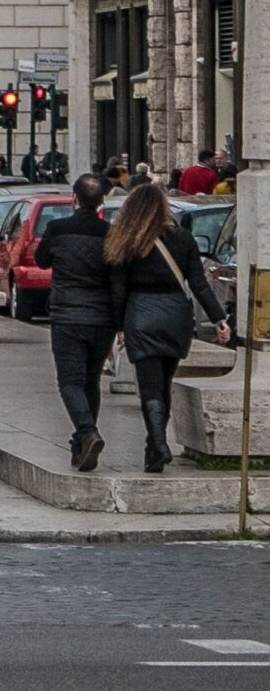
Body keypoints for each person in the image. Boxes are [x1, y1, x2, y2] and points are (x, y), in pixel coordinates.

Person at [108, 181, 230, 473]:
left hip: (141, 314)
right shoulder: (183, 239)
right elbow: (198, 284)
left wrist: (119, 325)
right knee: (164, 385)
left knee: (149, 387)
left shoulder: (126, 240)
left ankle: (159, 446)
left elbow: (118, 288)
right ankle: (155, 448)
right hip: (175, 315)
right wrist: (219, 318)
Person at [38, 175, 124, 471]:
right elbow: (117, 280)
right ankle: (81, 445)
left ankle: (87, 432)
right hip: (102, 319)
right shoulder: (110, 234)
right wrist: (120, 321)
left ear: (74, 198)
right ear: (101, 202)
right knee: (90, 381)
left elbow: (41, 260)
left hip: (67, 315)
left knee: (69, 382)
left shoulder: (57, 228)